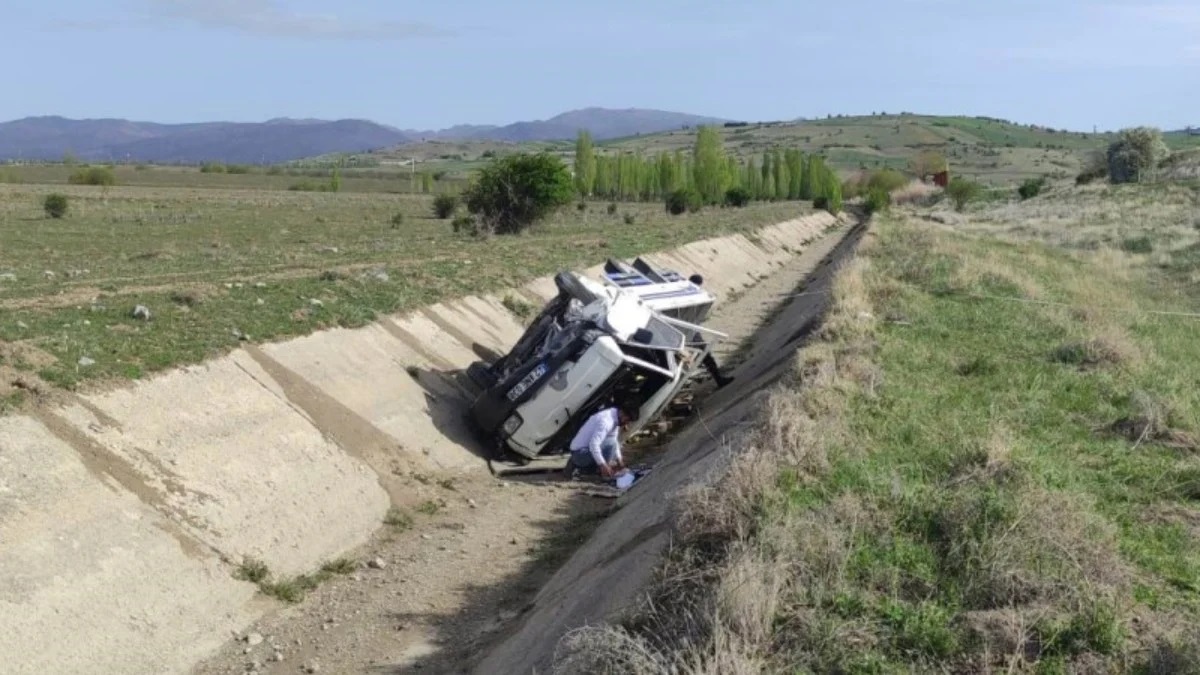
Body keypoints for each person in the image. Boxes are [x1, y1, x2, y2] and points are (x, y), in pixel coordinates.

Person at [564, 402, 640, 479]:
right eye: (627, 420)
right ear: (622, 413)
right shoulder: (606, 421)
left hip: (584, 451)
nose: (627, 424)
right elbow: (594, 445)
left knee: (613, 447)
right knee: (610, 445)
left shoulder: (615, 418)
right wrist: (603, 465)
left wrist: (620, 462)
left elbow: (614, 440)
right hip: (580, 454)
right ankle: (584, 468)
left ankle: (593, 469)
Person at [688, 274, 734, 388]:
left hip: (688, 331)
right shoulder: (694, 295)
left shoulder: (686, 291)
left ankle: (714, 377)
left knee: (703, 357)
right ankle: (719, 380)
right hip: (691, 333)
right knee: (706, 356)